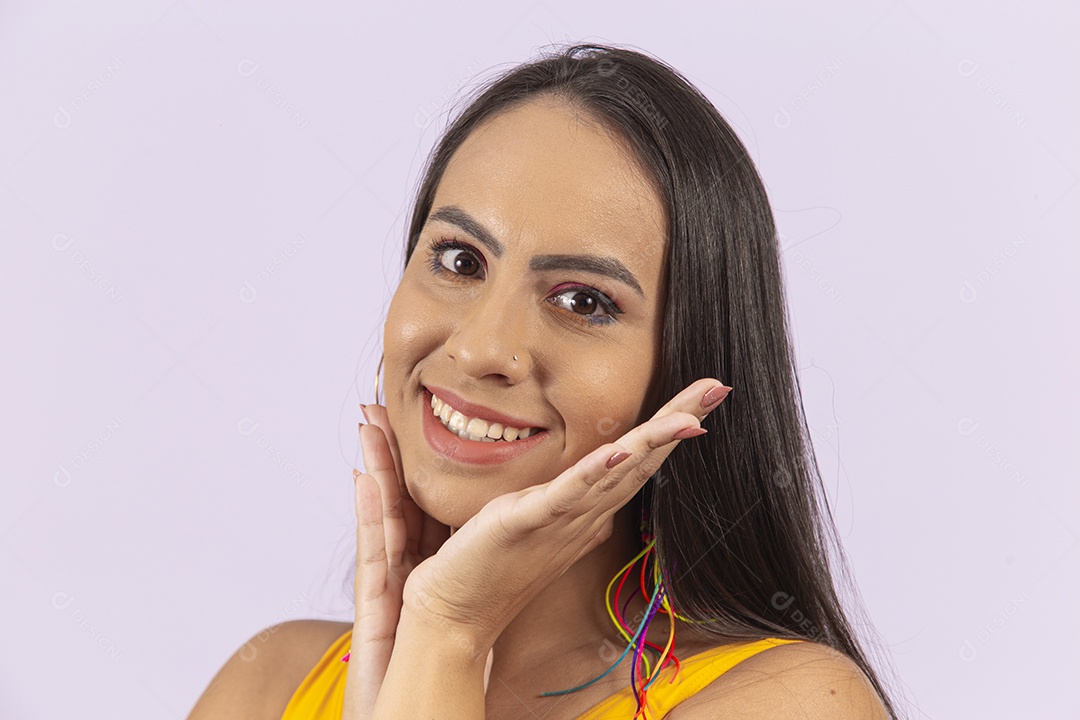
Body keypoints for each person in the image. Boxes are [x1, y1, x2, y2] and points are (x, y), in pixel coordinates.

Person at [186, 42, 901, 719]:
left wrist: (447, 635)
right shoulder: (268, 685)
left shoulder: (790, 701)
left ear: (686, 368)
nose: (480, 349)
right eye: (460, 261)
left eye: (583, 302)